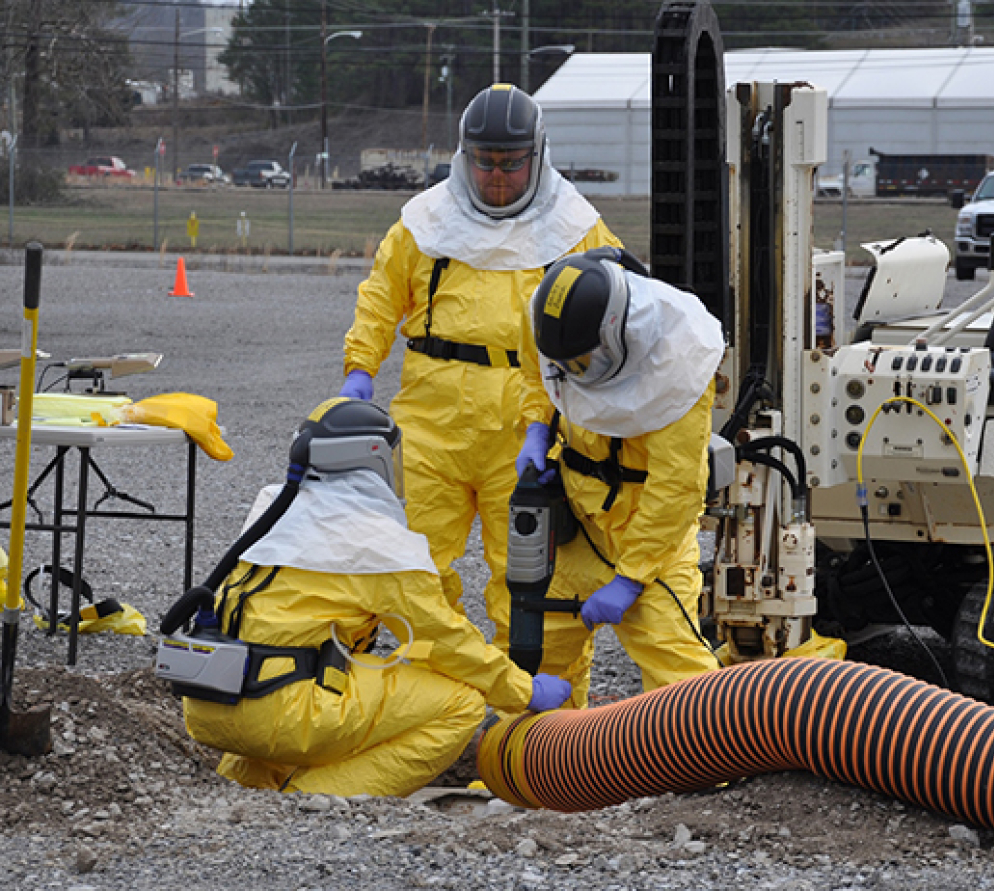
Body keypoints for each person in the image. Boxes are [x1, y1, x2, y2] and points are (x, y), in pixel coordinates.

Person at [338, 84, 622, 656]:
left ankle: (540, 724)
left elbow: (622, 307)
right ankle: (436, 689)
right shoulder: (424, 223)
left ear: (537, 157)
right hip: (429, 425)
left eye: (512, 165)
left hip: (524, 429)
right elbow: (380, 298)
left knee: (529, 579)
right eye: (485, 162)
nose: (497, 177)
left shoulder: (575, 228)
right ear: (464, 156)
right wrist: (359, 370)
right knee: (411, 563)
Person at [179, 398, 571, 797]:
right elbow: (446, 641)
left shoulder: (276, 515)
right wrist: (523, 690)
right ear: (373, 459)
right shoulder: (373, 541)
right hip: (282, 713)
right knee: (460, 704)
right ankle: (309, 801)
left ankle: (245, 783)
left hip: (212, 704)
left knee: (319, 669)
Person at [514, 247, 724, 705]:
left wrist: (630, 578)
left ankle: (705, 771)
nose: (573, 375)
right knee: (539, 658)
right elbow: (538, 371)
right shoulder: (547, 317)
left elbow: (676, 490)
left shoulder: (679, 363)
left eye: (582, 365)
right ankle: (536, 768)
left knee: (679, 674)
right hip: (575, 526)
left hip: (648, 544)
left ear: (615, 333)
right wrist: (535, 427)